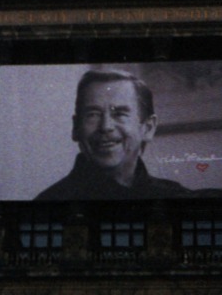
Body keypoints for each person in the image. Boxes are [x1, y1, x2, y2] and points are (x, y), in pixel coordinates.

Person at [34, 69, 193, 200]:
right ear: (76, 128)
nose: (106, 127)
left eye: (120, 114)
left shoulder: (177, 198)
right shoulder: (49, 202)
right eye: (93, 114)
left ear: (148, 128)